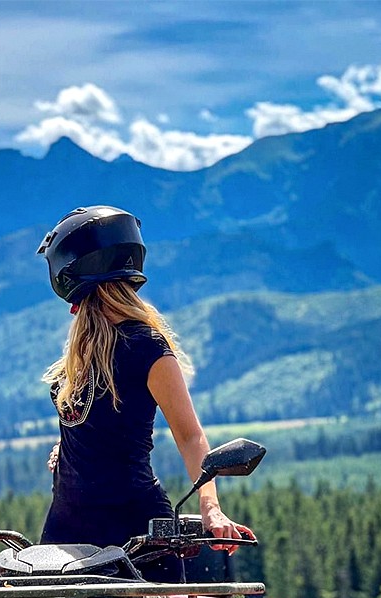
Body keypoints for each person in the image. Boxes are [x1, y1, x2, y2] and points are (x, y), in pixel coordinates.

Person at [35, 205, 255, 565]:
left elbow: (190, 436)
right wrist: (68, 446)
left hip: (136, 532)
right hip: (65, 529)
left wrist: (210, 508)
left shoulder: (147, 347)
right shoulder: (78, 355)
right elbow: (105, 418)